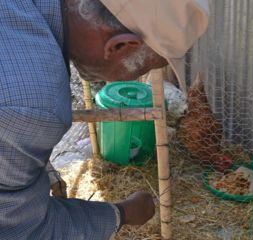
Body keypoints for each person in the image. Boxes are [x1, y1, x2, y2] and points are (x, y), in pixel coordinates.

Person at [0, 0, 209, 239]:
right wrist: (122, 213)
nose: (136, 76)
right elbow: (23, 231)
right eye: (142, 70)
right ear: (120, 46)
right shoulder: (30, 105)